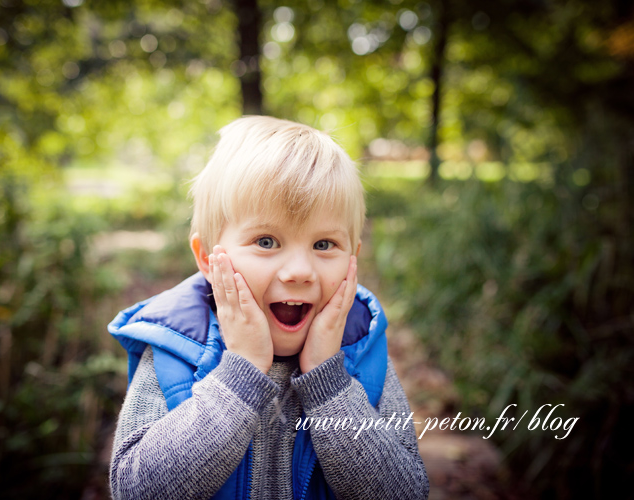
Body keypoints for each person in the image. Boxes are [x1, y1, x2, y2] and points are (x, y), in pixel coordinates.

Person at [108, 116, 429, 499]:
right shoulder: (175, 350)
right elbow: (134, 490)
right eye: (266, 241)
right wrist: (240, 373)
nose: (299, 271)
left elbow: (405, 492)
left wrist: (329, 382)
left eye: (324, 245)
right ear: (208, 258)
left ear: (353, 259)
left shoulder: (361, 351)